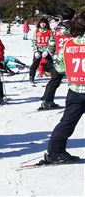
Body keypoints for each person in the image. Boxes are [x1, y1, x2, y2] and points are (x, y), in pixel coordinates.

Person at [40, 11, 85, 164]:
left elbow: (59, 67)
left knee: (66, 123)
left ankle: (55, 152)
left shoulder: (68, 44)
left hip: (75, 90)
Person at [39, 8, 76, 110]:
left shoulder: (56, 30)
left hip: (59, 58)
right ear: (73, 16)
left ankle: (47, 101)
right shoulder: (76, 28)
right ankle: (76, 103)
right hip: (74, 56)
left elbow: (51, 45)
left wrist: (51, 53)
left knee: (54, 80)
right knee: (78, 80)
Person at [29, 17, 53, 85]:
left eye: (44, 23)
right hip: (38, 50)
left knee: (50, 63)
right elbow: (33, 41)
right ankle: (31, 77)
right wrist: (35, 51)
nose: (43, 24)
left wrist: (48, 50)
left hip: (46, 50)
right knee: (35, 64)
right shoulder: (37, 31)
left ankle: (54, 77)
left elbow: (51, 42)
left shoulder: (50, 31)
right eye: (41, 22)